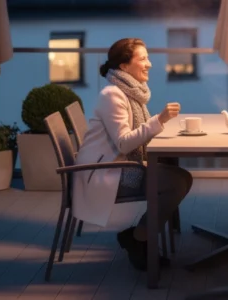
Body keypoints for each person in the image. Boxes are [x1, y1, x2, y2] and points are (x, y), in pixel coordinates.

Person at [72, 38, 193, 271]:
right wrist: (160, 120)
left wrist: (157, 124)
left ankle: (141, 236)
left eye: (148, 58)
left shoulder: (131, 92)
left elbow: (132, 136)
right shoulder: (112, 95)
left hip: (118, 166)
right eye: (143, 58)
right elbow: (124, 143)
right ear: (124, 66)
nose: (149, 64)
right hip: (105, 173)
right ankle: (139, 239)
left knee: (180, 177)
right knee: (177, 181)